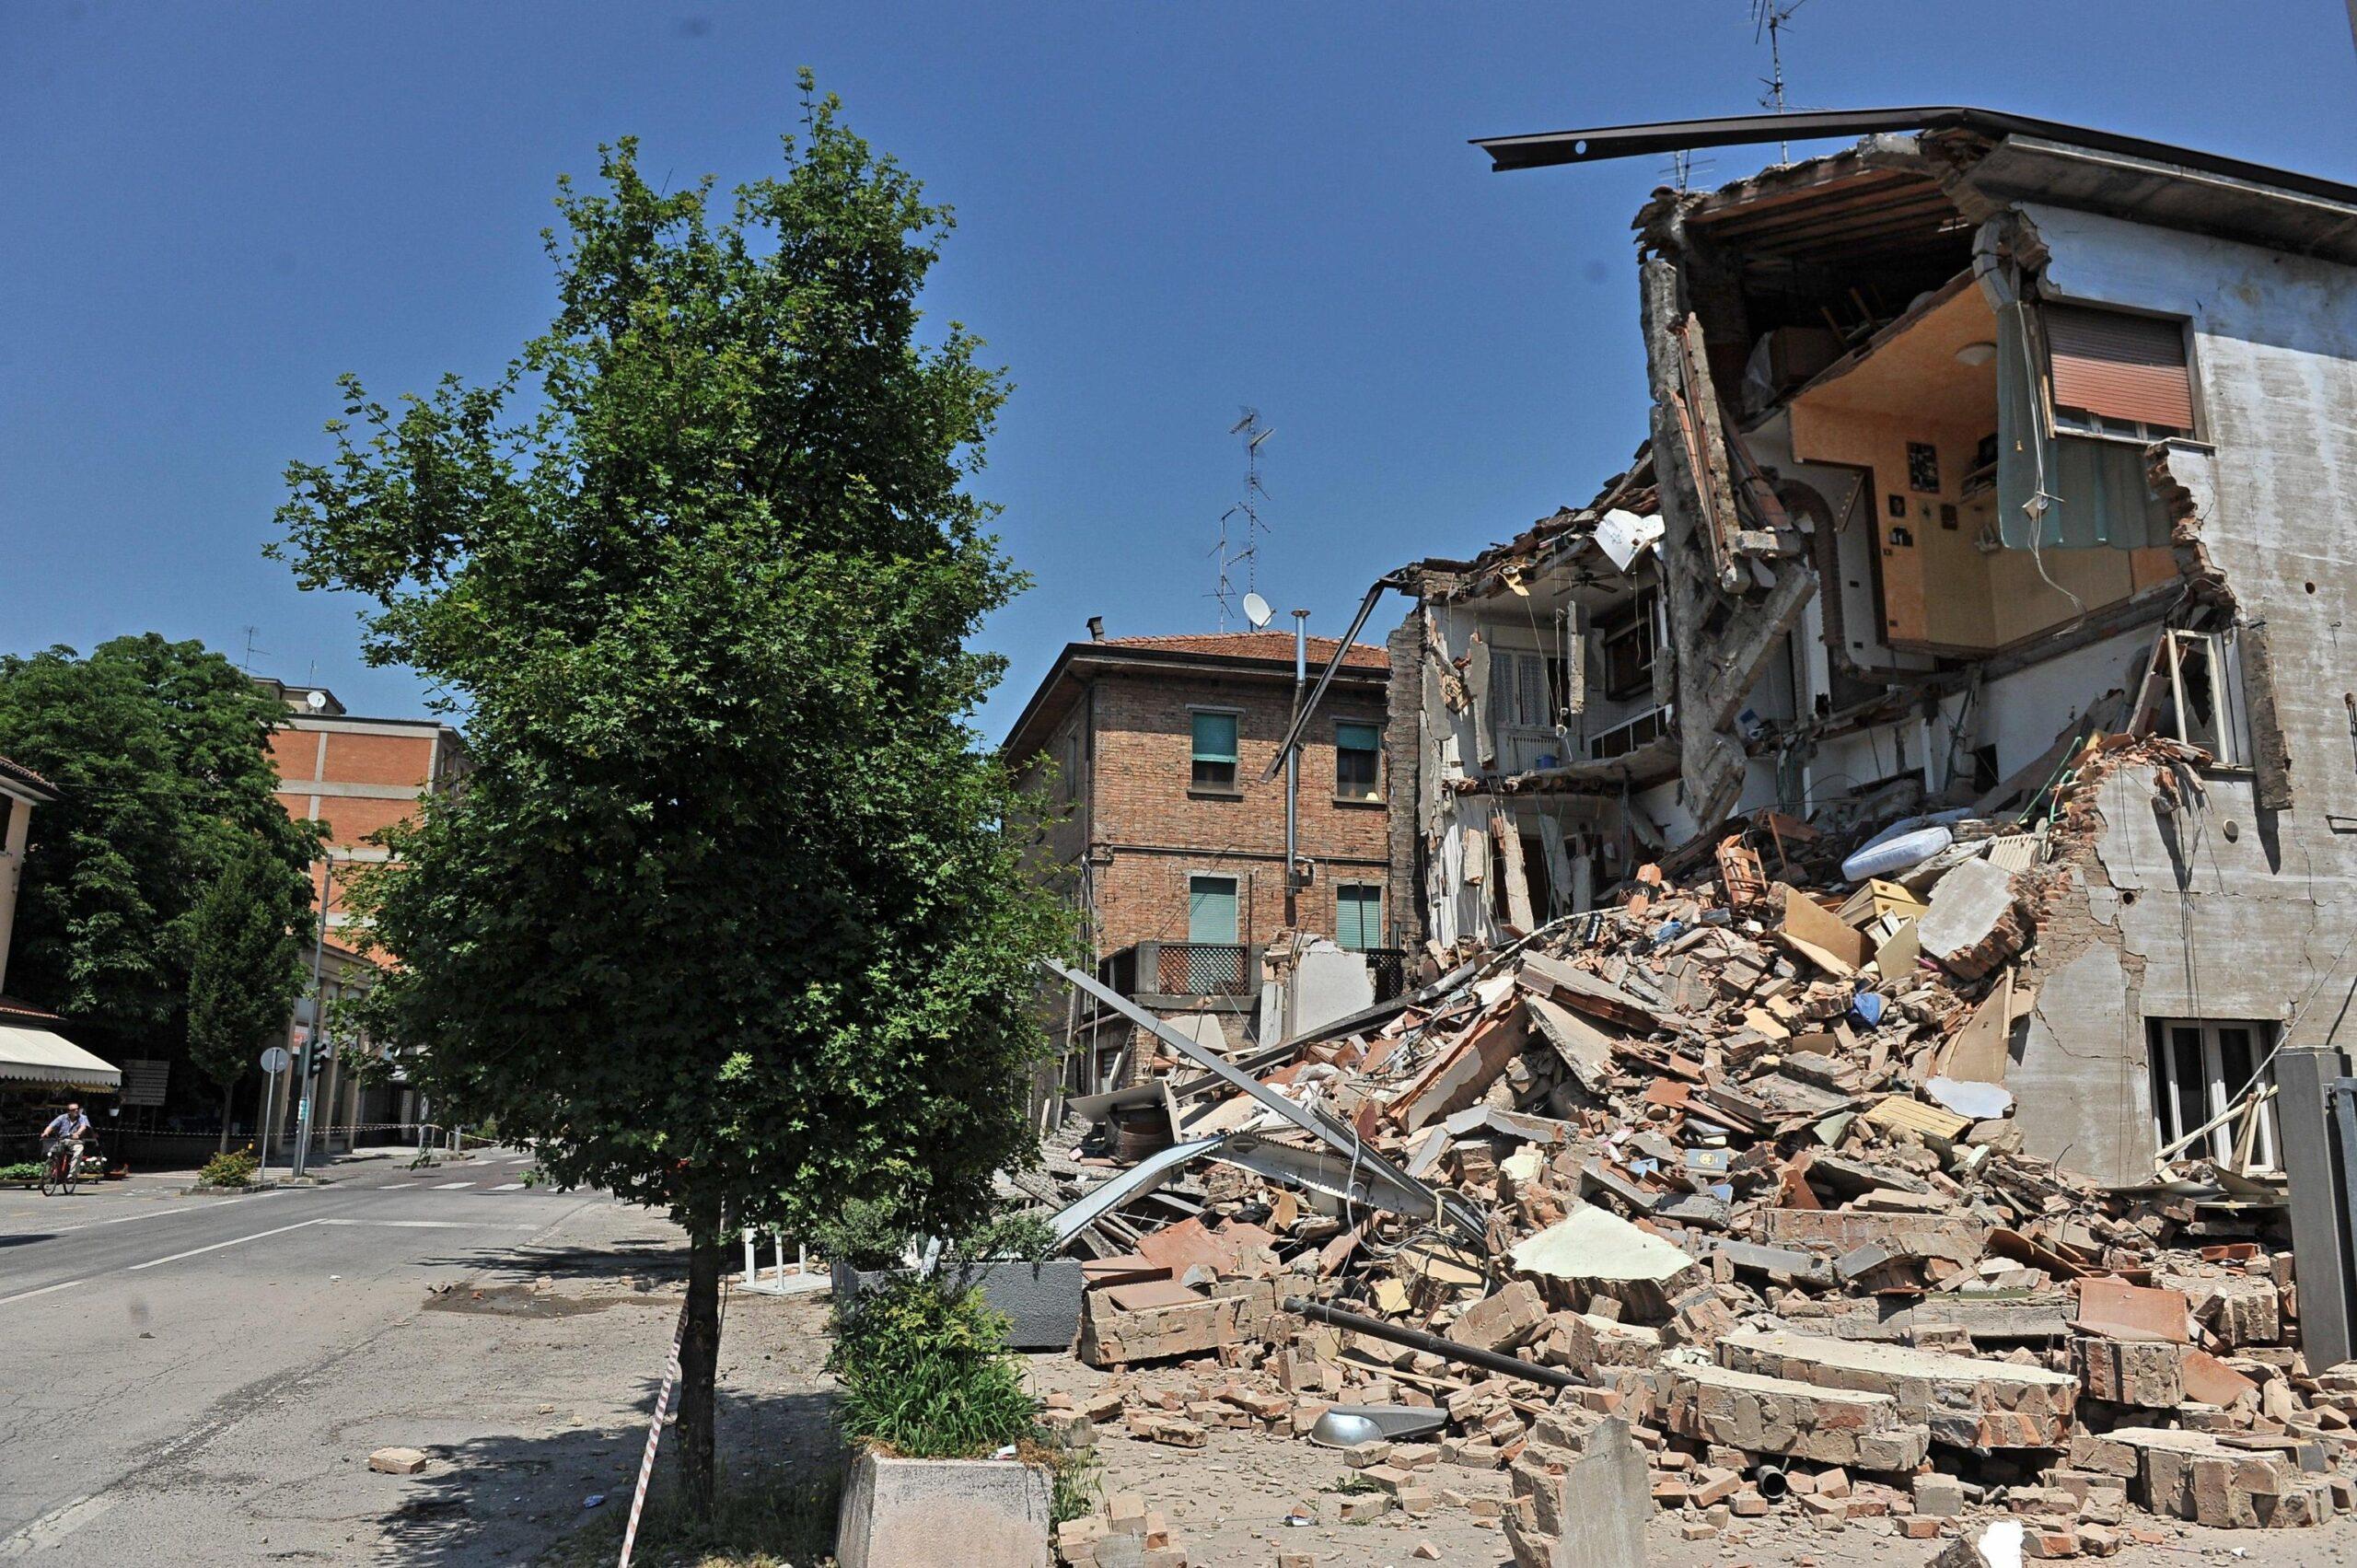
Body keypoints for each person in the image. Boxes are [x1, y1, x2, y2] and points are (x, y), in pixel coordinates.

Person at [41, 1102, 91, 1176]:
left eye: (77, 1109)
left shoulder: (82, 1117)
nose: (76, 1111)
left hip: (76, 1141)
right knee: (52, 1153)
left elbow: (83, 1127)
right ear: (69, 1111)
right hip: (62, 1140)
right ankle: (47, 1174)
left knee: (78, 1151)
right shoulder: (62, 1117)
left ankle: (72, 1174)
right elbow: (51, 1125)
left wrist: (77, 1133)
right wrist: (46, 1132)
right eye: (74, 1109)